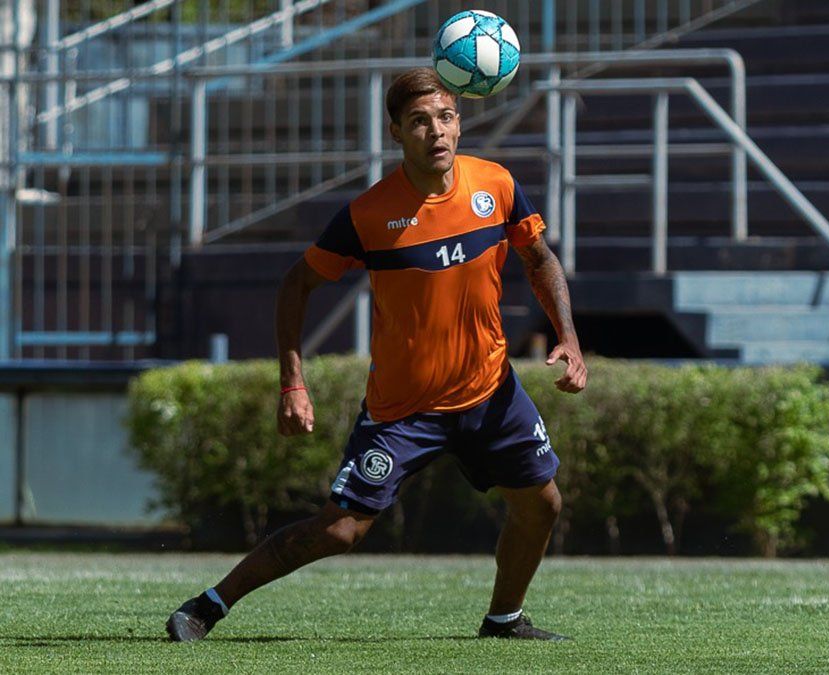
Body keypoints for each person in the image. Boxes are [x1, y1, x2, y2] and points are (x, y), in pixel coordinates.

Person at [166, 67, 587, 643]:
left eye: (445, 117)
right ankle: (208, 606)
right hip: (402, 410)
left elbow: (538, 258)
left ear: (460, 124)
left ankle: (504, 620)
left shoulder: (498, 186)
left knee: (542, 503)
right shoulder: (369, 215)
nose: (435, 132)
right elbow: (295, 286)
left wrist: (568, 335)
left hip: (491, 391)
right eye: (419, 121)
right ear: (396, 131)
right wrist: (292, 380)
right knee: (340, 531)